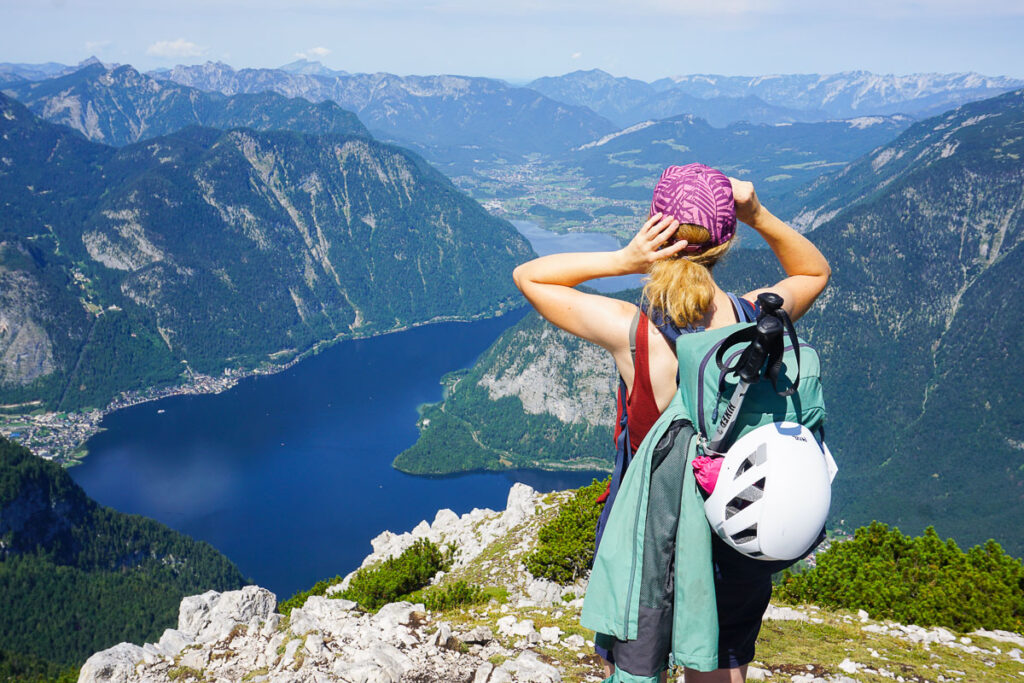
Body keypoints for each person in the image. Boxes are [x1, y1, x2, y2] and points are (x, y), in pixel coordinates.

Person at [512, 163, 831, 683]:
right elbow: (814, 271)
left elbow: (530, 276)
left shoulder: (631, 331)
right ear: (724, 241)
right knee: (720, 667)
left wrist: (623, 259)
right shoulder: (756, 319)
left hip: (652, 539)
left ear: (654, 230)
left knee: (639, 668)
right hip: (734, 531)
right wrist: (757, 213)